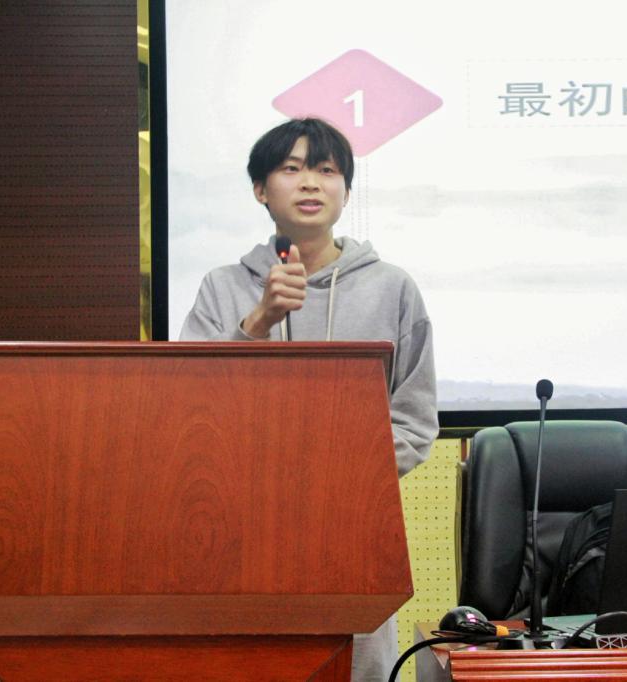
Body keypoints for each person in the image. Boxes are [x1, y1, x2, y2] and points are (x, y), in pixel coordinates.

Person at [179, 117, 438, 681]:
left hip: (351, 528)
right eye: (291, 169)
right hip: (241, 527)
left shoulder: (392, 288)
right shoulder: (223, 287)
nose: (311, 182)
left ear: (345, 189)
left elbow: (414, 422)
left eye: (326, 170)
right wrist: (257, 323)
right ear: (260, 189)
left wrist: (331, 476)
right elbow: (189, 411)